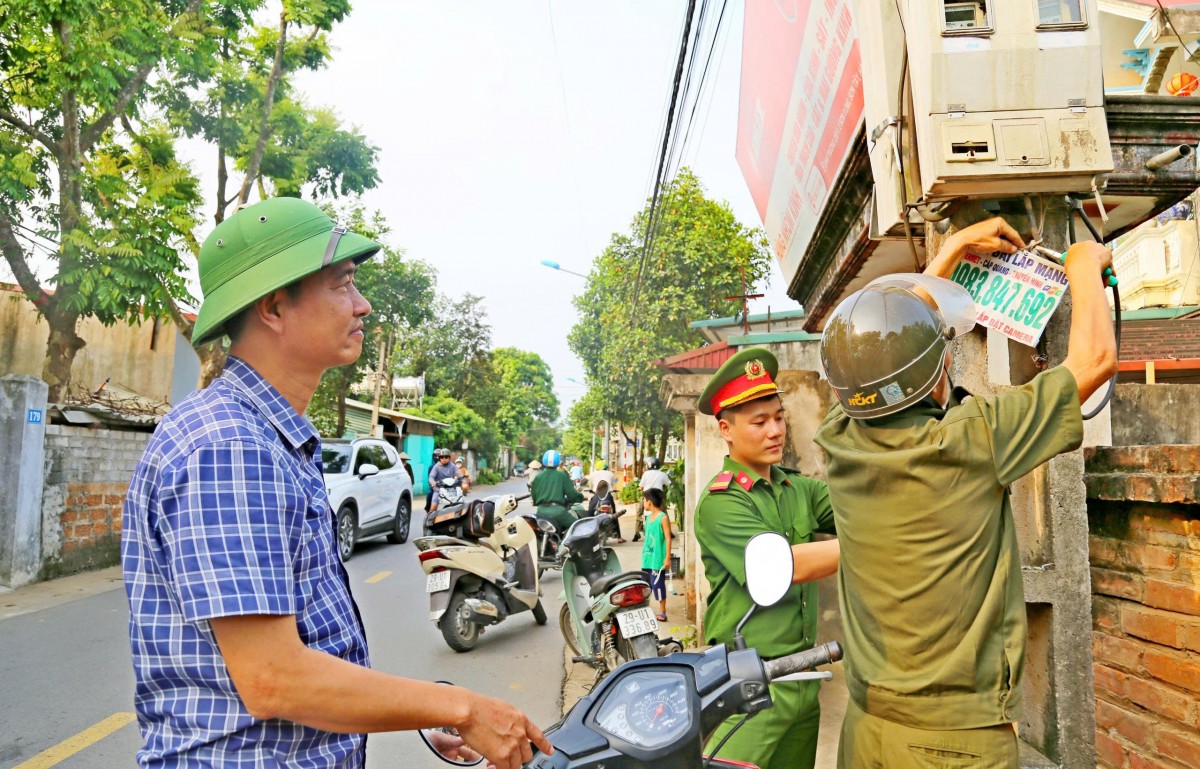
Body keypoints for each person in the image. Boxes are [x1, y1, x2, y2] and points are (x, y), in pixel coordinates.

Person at [120, 198, 549, 769]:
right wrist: (465, 708)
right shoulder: (229, 446)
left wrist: (427, 714)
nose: (362, 304)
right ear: (274, 307)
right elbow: (274, 679)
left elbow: (304, 657)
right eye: (342, 284)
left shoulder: (272, 436)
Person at [812, 218, 1118, 768]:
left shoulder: (840, 440)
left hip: (866, 728)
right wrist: (1082, 265)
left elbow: (880, 350)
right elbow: (1094, 362)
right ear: (937, 370)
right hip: (953, 744)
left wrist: (951, 251)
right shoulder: (972, 438)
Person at [694, 348, 840, 769]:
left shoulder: (799, 489)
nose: (775, 430)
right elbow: (780, 566)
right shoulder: (721, 503)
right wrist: (870, 543)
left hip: (803, 676)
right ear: (726, 429)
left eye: (778, 417)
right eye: (759, 422)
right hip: (747, 685)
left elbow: (860, 510)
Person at [529, 449, 584, 533]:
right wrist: (580, 497)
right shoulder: (562, 476)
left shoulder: (538, 477)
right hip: (558, 513)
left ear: (544, 461)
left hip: (540, 512)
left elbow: (534, 497)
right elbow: (572, 495)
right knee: (579, 527)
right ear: (558, 462)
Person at [641, 487, 671, 622]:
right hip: (647, 559)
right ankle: (644, 609)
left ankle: (662, 611)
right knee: (646, 585)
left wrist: (667, 558)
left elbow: (668, 538)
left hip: (657, 559)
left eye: (644, 500)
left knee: (657, 584)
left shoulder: (662, 518)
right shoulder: (647, 519)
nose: (643, 503)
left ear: (649, 502)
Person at [633, 456, 671, 542]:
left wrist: (639, 488)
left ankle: (637, 532)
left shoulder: (646, 474)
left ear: (649, 465)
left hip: (647, 498)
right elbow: (669, 484)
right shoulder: (662, 474)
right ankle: (668, 532)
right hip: (658, 498)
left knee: (639, 513)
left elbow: (641, 487)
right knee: (664, 513)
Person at [428, 447, 459, 511]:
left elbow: (459, 474)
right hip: (438, 487)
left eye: (446, 457)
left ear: (449, 458)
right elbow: (431, 477)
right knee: (430, 496)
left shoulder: (452, 465)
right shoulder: (434, 466)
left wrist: (462, 480)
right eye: (442, 457)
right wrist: (433, 482)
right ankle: (429, 514)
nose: (444, 459)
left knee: (459, 498)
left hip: (450, 487)